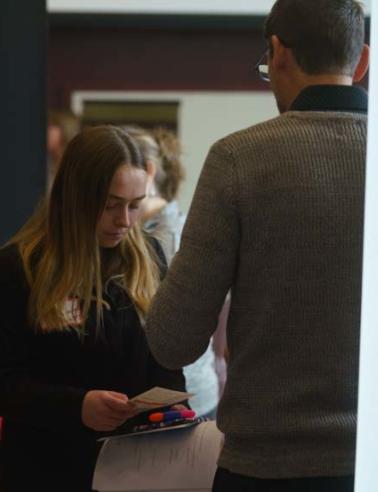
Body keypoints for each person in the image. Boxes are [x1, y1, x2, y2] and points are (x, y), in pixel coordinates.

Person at [144, 1, 369, 490]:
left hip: (265, 469)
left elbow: (172, 338)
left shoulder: (238, 160)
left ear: (278, 52)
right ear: (363, 61)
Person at [0, 125, 186, 491]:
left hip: (133, 472)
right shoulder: (16, 268)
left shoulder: (149, 257)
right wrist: (77, 407)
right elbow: (0, 384)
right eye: (110, 205)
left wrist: (170, 409)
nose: (124, 221)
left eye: (135, 206)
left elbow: (166, 363)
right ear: (75, 197)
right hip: (43, 471)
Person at [124, 126, 221, 418]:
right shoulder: (149, 229)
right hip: (186, 390)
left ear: (149, 173)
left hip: (179, 397)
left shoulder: (173, 237)